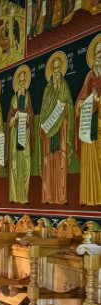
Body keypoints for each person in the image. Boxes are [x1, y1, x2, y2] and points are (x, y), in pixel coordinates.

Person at [40, 52, 74, 204]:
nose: (56, 71)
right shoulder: (47, 89)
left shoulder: (64, 85)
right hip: (49, 131)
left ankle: (61, 195)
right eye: (54, 69)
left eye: (59, 68)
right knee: (48, 161)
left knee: (60, 160)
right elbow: (44, 110)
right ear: (51, 71)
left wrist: (65, 107)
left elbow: (70, 103)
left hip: (61, 130)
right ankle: (48, 196)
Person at [75, 35, 101, 206]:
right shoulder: (90, 75)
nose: (100, 56)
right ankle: (90, 198)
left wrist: (99, 101)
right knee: (89, 161)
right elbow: (80, 99)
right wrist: (82, 104)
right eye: (97, 53)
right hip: (89, 125)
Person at [7, 66, 34, 204]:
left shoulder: (28, 96)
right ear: (17, 82)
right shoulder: (13, 98)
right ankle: (14, 196)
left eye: (24, 81)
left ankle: (24, 196)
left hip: (25, 133)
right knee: (14, 165)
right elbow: (9, 120)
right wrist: (15, 117)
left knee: (26, 164)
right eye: (20, 81)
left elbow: (31, 114)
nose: (22, 84)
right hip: (15, 135)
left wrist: (26, 117)